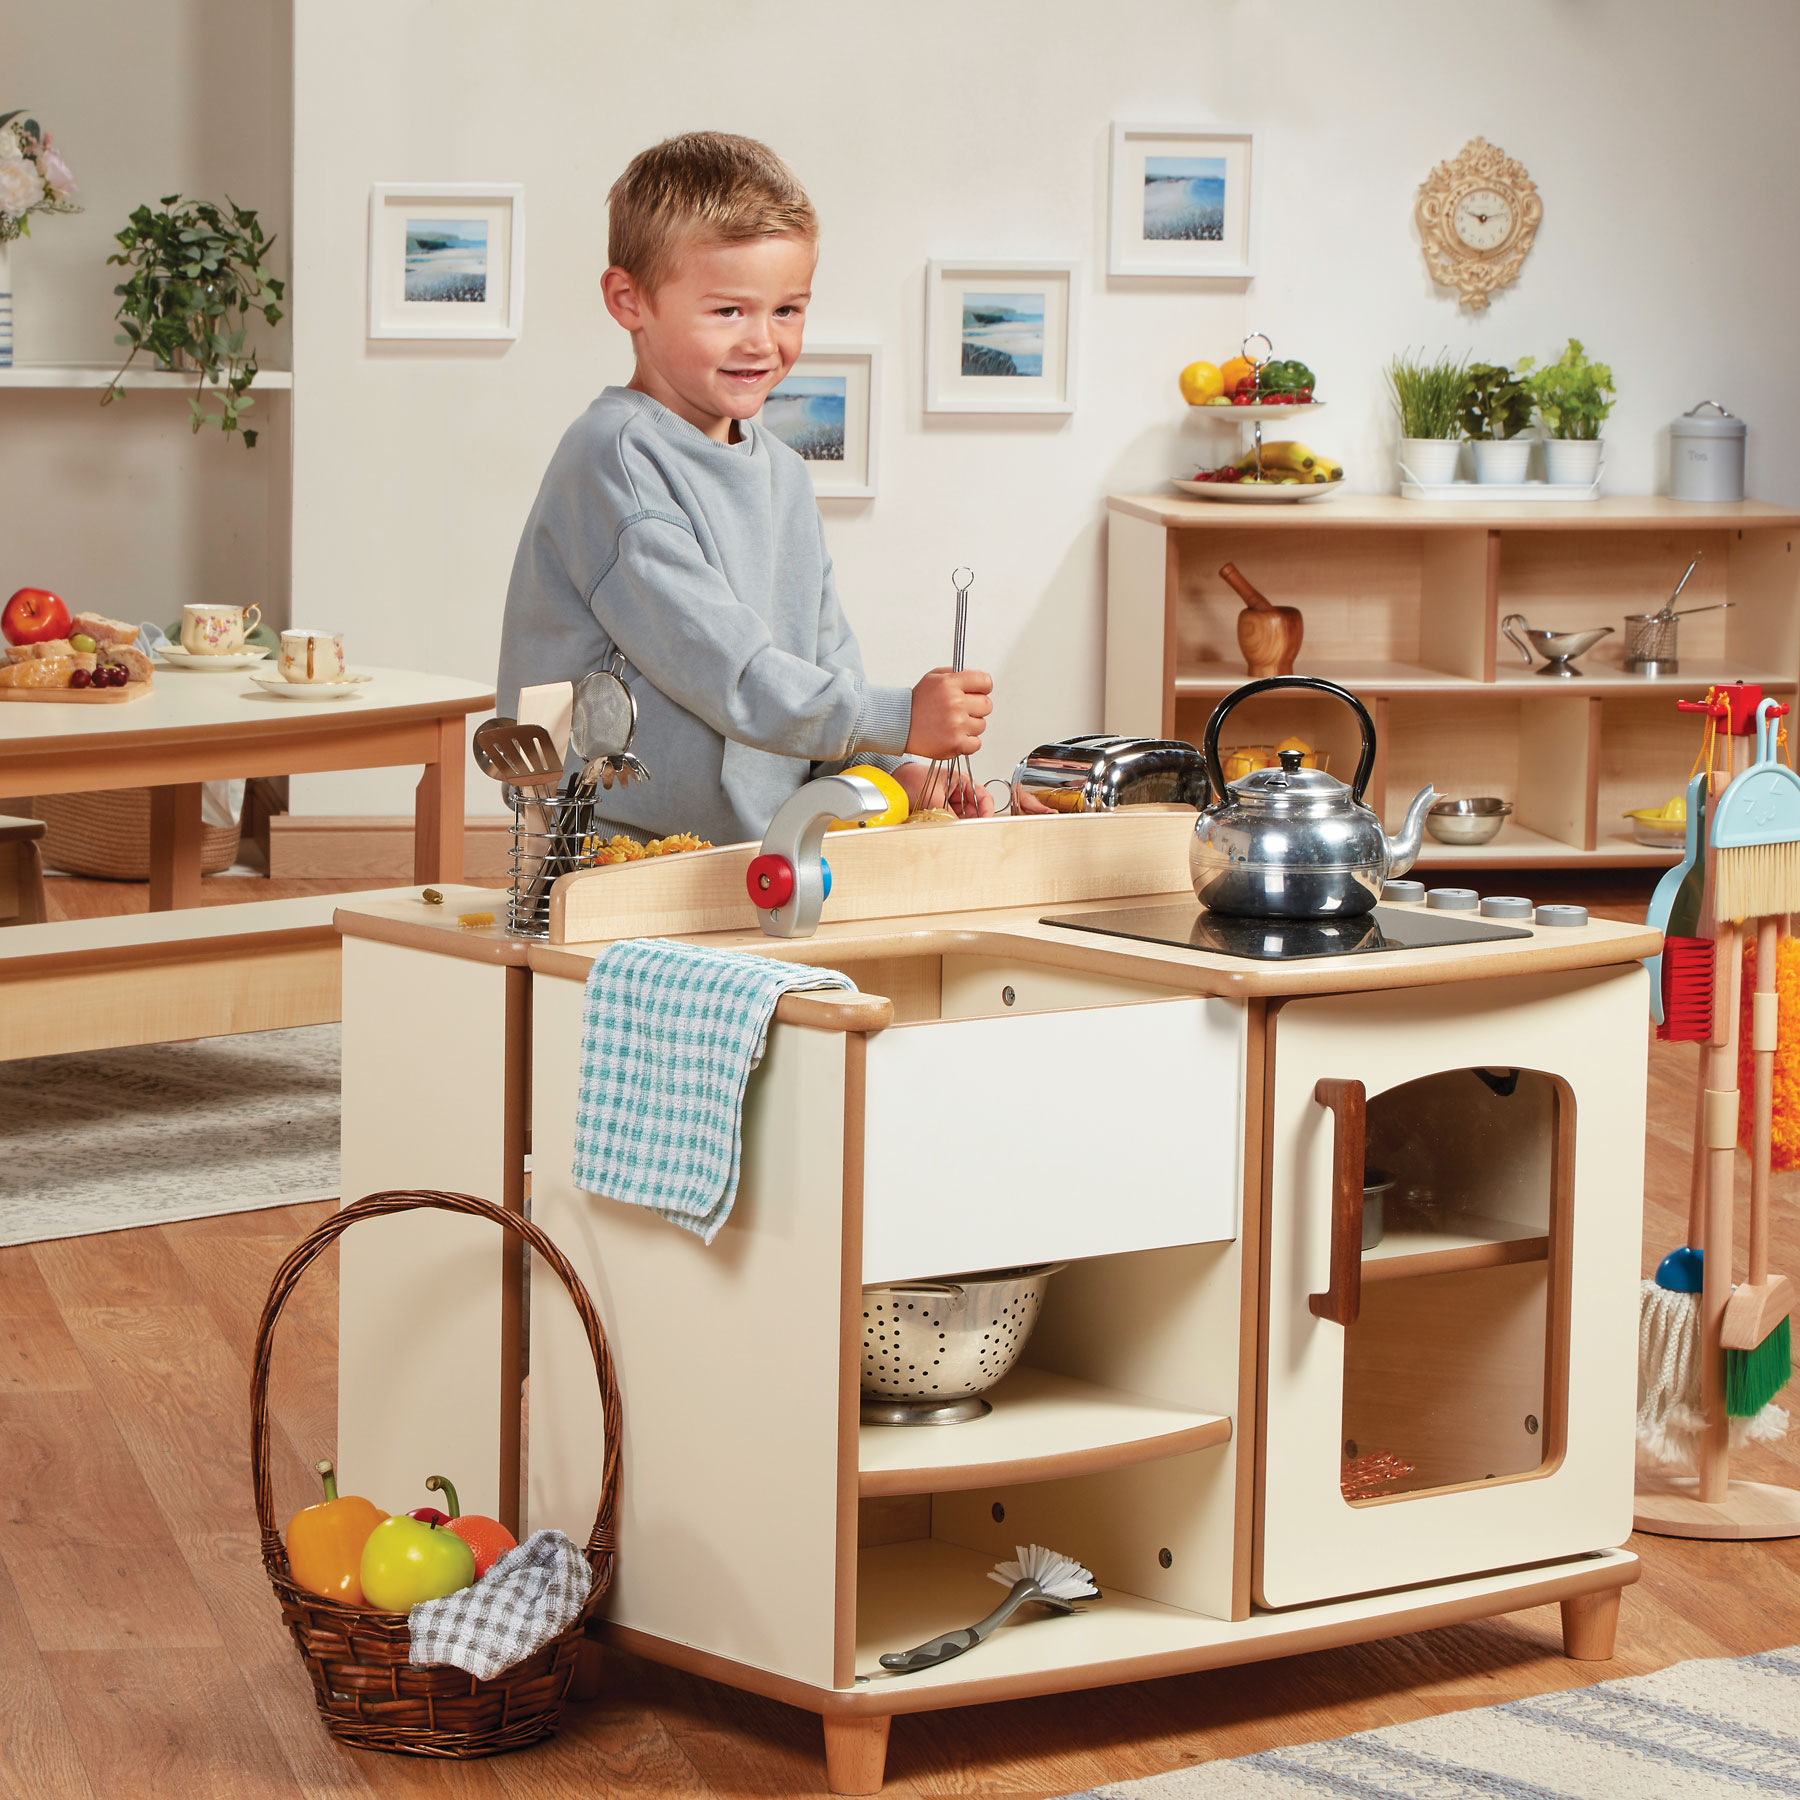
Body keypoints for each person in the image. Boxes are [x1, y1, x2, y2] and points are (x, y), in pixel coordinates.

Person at [495, 131, 993, 847]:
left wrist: (900, 772)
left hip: (758, 844)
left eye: (787, 310)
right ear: (629, 301)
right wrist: (895, 715)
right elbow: (725, 668)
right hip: (611, 847)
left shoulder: (783, 475)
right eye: (729, 311)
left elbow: (824, 663)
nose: (763, 341)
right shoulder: (613, 461)